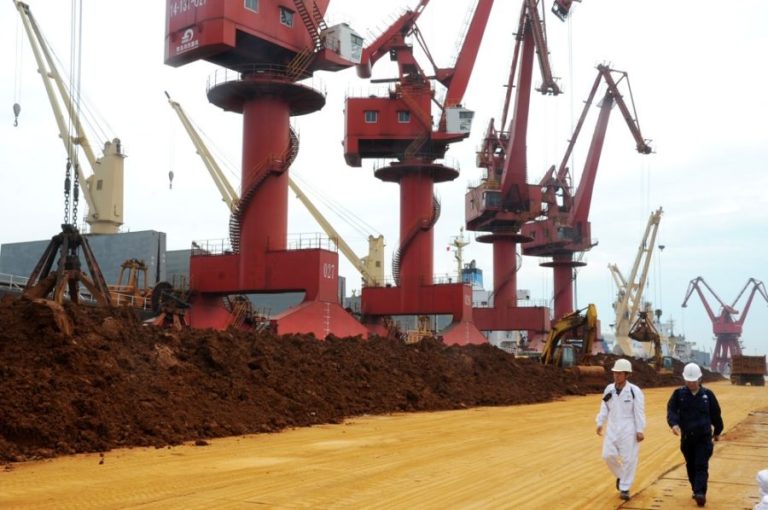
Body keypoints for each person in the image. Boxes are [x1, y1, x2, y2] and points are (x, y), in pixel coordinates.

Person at [666, 362, 724, 507]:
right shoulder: (679, 394)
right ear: (684, 379)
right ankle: (695, 489)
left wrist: (717, 431)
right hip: (687, 438)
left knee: (701, 465)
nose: (691, 383)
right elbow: (671, 410)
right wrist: (674, 424)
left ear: (699, 379)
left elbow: (716, 414)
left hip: (704, 438)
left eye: (694, 380)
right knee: (691, 465)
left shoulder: (708, 395)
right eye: (688, 380)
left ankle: (700, 493)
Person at [596, 358, 646, 501]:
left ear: (627, 374)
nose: (616, 376)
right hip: (612, 427)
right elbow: (604, 407)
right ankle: (621, 476)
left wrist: (640, 429)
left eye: (619, 373)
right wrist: (600, 422)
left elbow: (639, 411)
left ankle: (624, 488)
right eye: (615, 373)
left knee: (628, 459)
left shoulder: (634, 391)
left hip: (628, 429)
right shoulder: (609, 389)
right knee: (607, 455)